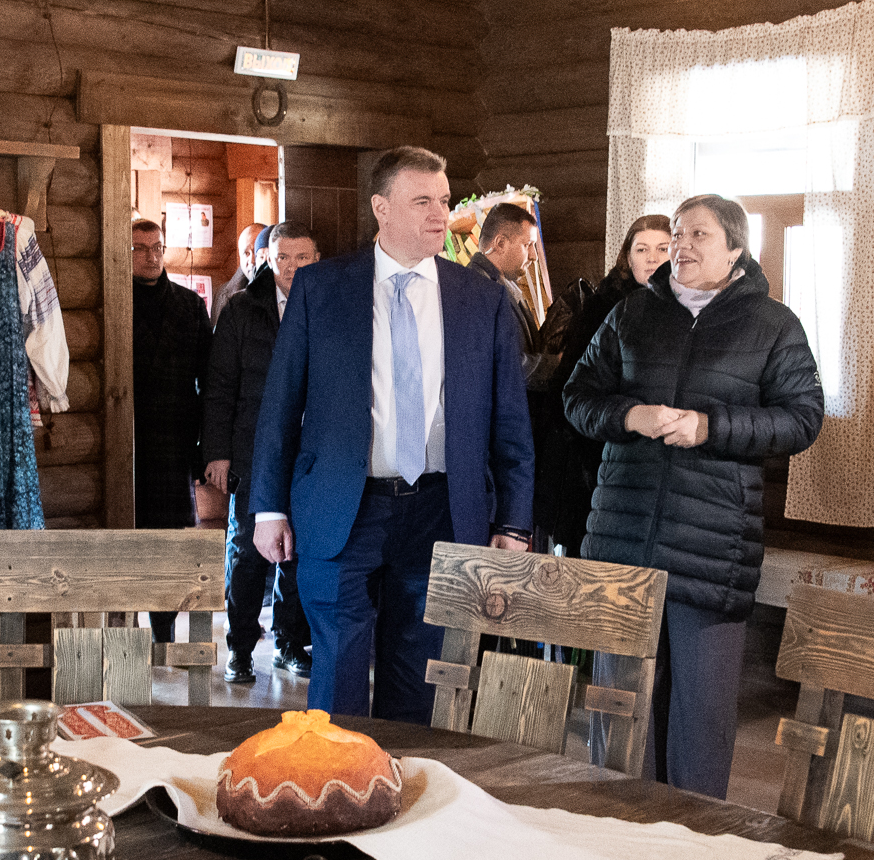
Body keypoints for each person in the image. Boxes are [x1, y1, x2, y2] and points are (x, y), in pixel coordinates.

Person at [250, 145, 536, 723]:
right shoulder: (322, 288)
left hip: (440, 509)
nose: (440, 214)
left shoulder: (480, 298)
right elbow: (280, 405)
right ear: (381, 208)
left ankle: (404, 778)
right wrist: (268, 509)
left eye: (445, 200)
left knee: (419, 676)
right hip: (342, 507)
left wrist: (513, 521)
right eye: (422, 201)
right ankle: (335, 776)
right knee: (337, 675)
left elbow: (509, 417)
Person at [564, 195, 823, 797]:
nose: (681, 245)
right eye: (677, 233)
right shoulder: (631, 313)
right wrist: (630, 416)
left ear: (735, 249)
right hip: (623, 542)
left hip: (713, 548)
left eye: (698, 235)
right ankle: (617, 830)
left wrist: (711, 427)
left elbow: (802, 419)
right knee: (619, 716)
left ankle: (695, 838)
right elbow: (577, 397)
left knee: (700, 720)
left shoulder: (773, 324)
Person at [204, 219, 319, 684]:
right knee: (248, 553)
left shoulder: (327, 308)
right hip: (252, 449)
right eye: (283, 257)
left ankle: (290, 643)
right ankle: (240, 648)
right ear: (267, 259)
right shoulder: (241, 309)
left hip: (310, 453)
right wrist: (217, 452)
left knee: (299, 551)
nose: (292, 266)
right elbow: (218, 387)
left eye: (302, 257)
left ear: (316, 260)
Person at [543, 214, 674, 554]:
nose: (652, 258)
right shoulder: (604, 305)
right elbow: (569, 386)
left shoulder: (684, 309)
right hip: (598, 451)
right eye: (642, 249)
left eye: (662, 248)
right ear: (627, 257)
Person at [131, 218, 212, 643]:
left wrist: (204, 445)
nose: (150, 256)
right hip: (128, 439)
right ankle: (128, 628)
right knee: (129, 536)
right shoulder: (116, 302)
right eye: (140, 248)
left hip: (174, 440)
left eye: (156, 247)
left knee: (168, 540)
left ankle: (163, 632)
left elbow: (209, 379)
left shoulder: (189, 305)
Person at [467, 201, 540, 371]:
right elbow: (498, 362)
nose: (534, 256)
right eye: (527, 245)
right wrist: (553, 363)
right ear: (500, 244)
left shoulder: (507, 284)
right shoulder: (474, 289)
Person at [213, 223, 267, 322]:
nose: (252, 261)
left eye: (257, 252)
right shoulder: (222, 295)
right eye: (246, 253)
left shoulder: (288, 290)